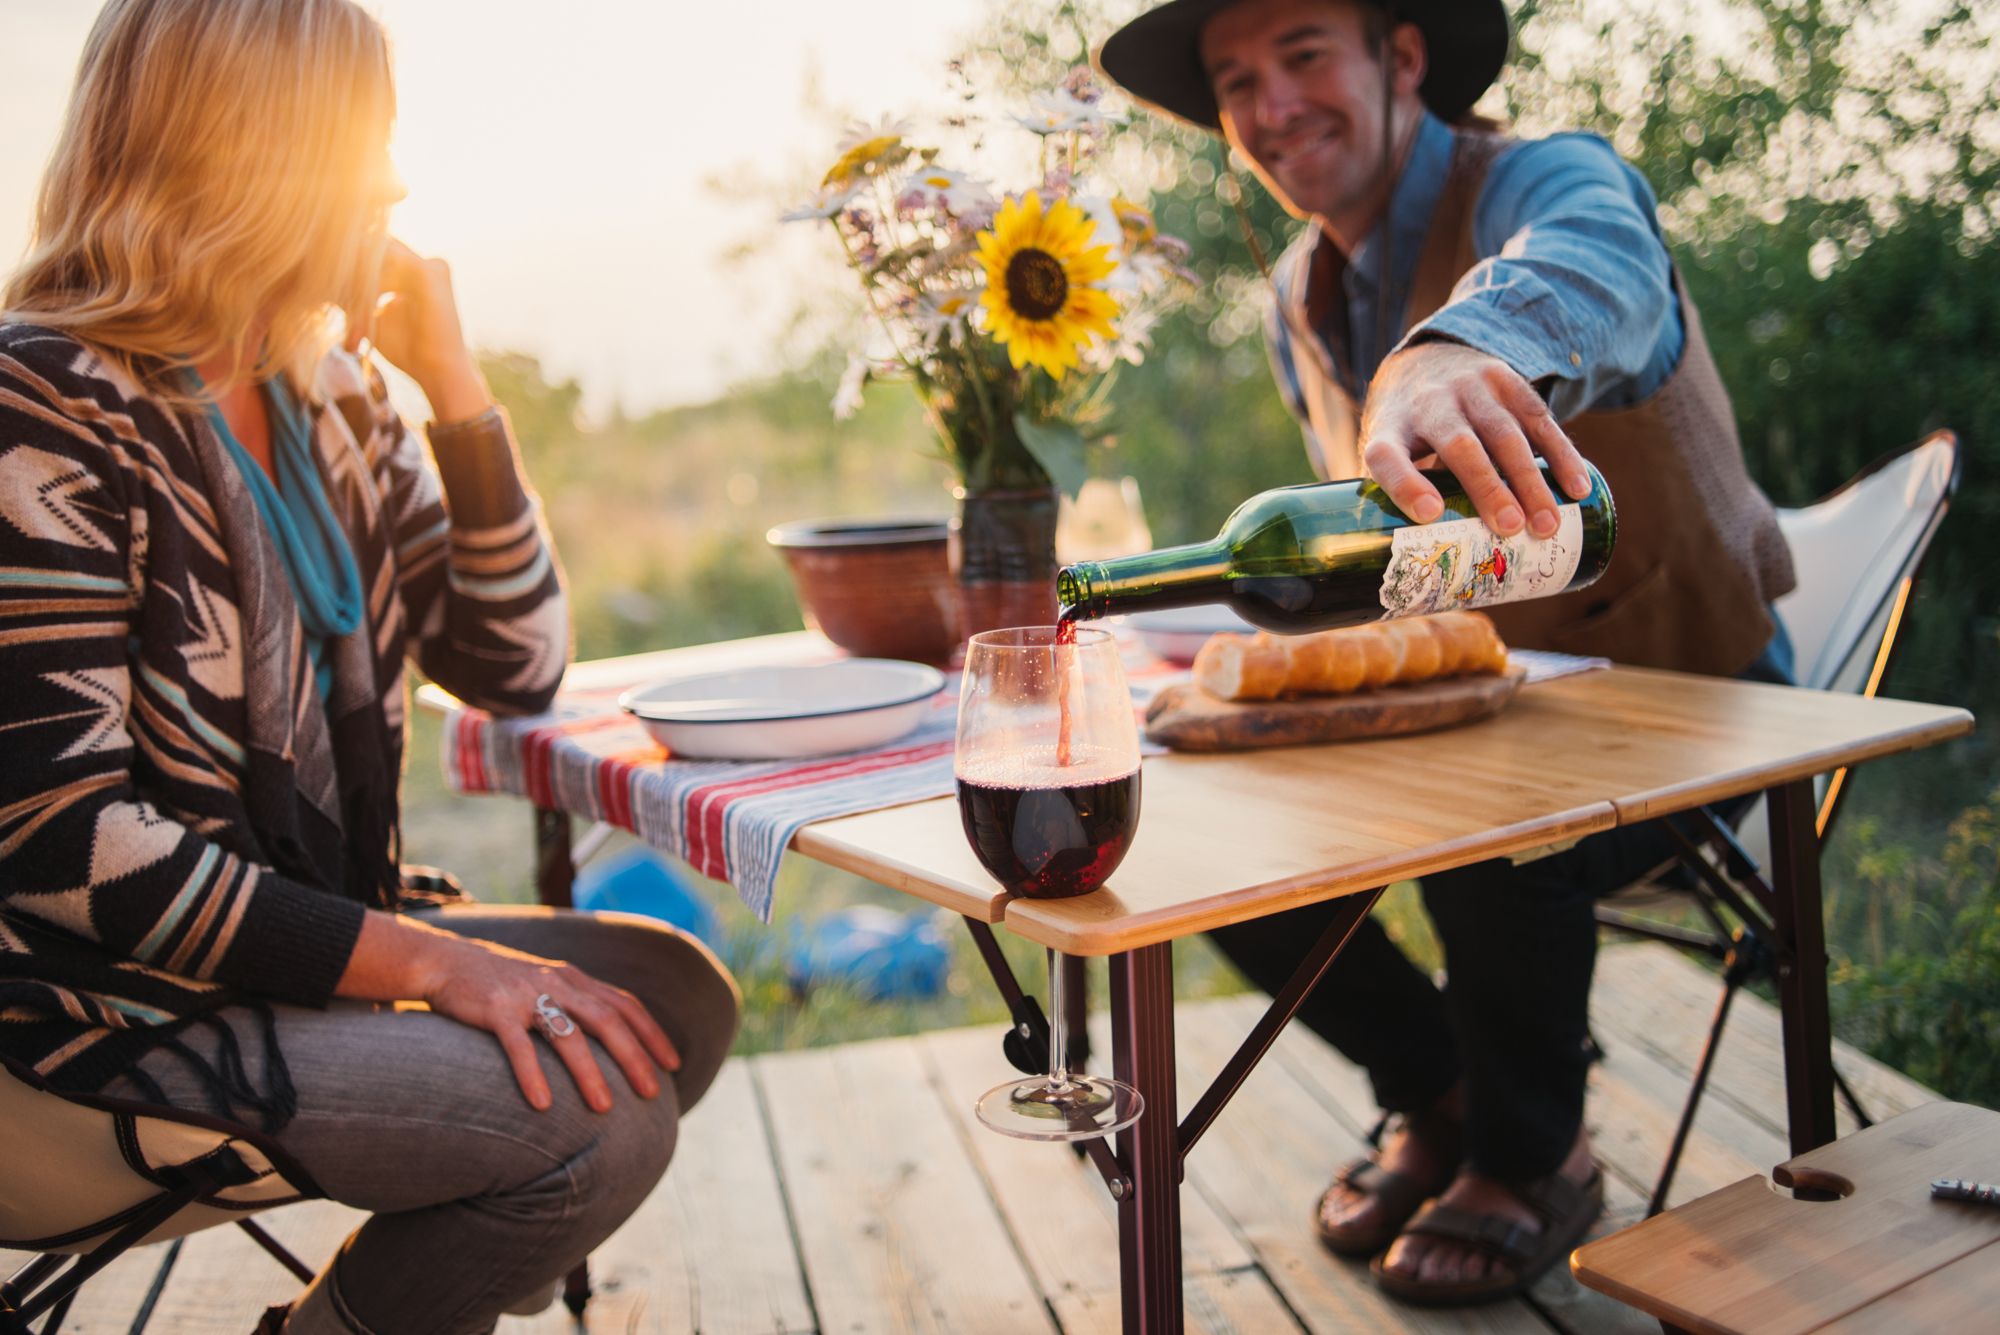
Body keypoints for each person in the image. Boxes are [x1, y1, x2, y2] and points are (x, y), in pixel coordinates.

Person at [0, 2, 739, 1331]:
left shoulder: (333, 396)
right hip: (80, 1027)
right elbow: (60, 843)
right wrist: (437, 963)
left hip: (276, 956)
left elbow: (513, 664)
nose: (396, 184)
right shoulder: (39, 406)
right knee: (602, 1121)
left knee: (674, 994)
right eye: (369, 143)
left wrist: (456, 392)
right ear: (253, 155)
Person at [1097, 0, 1797, 1306]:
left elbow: (1603, 262)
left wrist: (1456, 353)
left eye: (1304, 52)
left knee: (1489, 823)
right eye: (1237, 79)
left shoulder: (1544, 175)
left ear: (1402, 59)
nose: (1272, 103)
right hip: (1482, 709)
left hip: (1697, 709)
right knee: (1186, 814)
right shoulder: (1297, 299)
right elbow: (1392, 562)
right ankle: (1444, 1087)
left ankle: (1536, 1160)